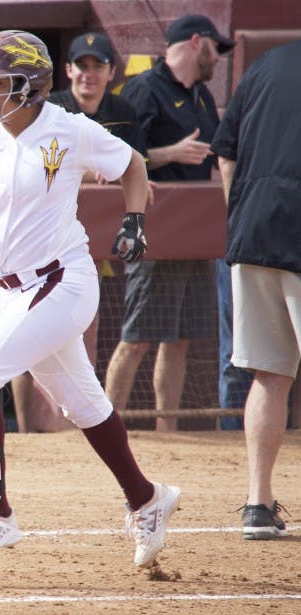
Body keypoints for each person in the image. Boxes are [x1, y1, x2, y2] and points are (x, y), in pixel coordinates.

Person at [0, 30, 179, 567]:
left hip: (62, 280)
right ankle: (147, 498)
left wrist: (134, 221)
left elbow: (132, 163)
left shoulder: (67, 128)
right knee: (83, 404)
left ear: (32, 85)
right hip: (9, 290)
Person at [11, 31, 149, 433]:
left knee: (82, 332)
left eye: (98, 66)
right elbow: (33, 163)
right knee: (23, 336)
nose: (89, 74)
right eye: (81, 66)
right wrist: (91, 170)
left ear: (110, 73)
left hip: (88, 241)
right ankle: (26, 431)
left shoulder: (122, 110)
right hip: (37, 239)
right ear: (67, 71)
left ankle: (79, 430)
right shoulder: (50, 109)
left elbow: (133, 164)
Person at [104, 14, 234, 431]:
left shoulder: (199, 96)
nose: (219, 58)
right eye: (216, 48)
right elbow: (123, 159)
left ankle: (168, 430)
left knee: (179, 338)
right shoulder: (144, 89)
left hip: (195, 233)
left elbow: (218, 153)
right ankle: (106, 430)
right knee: (137, 336)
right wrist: (171, 154)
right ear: (197, 42)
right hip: (155, 229)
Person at [211, 39, 301, 539]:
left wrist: (240, 219)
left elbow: (225, 157)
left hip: (253, 234)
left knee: (269, 374)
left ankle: (258, 505)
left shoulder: (266, 64)